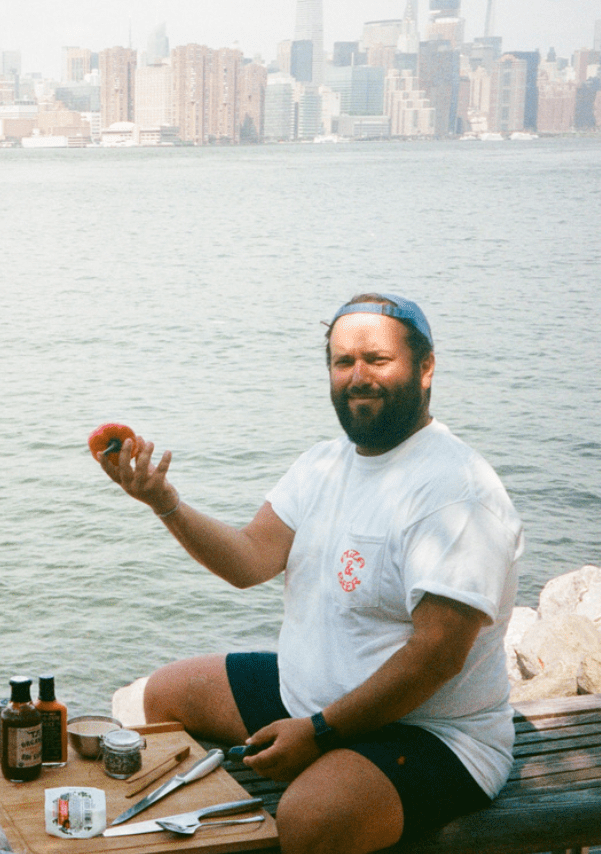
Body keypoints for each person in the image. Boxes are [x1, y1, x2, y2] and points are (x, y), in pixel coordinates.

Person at [95, 294, 523, 854]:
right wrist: (164, 502)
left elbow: (438, 656)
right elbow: (249, 559)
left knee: (312, 818)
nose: (358, 376)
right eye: (343, 362)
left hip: (432, 732)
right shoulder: (324, 463)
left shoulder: (456, 490)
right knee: (169, 695)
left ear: (426, 368)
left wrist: (319, 733)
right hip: (311, 701)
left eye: (377, 359)